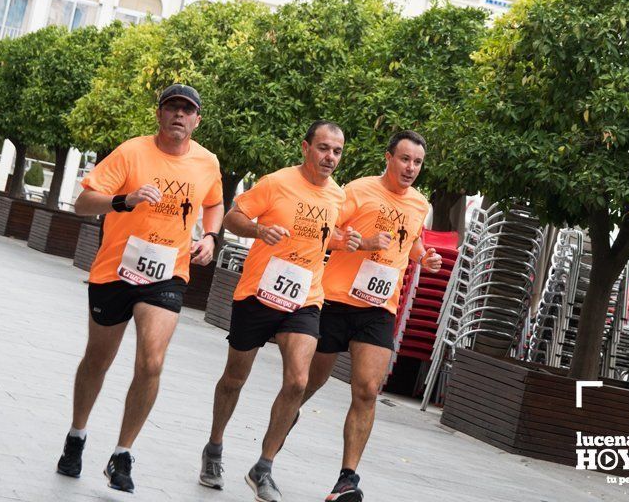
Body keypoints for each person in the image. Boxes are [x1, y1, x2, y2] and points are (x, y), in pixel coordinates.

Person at [56, 84, 224, 494]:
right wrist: (123, 200)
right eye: (172, 108)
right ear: (159, 114)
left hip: (167, 274)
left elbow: (215, 202)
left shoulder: (207, 162)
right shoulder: (131, 152)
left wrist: (212, 236)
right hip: (115, 271)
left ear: (197, 120)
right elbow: (83, 203)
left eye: (188, 110)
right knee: (98, 359)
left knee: (151, 361)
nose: (179, 116)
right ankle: (77, 435)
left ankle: (122, 454)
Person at [199, 120, 359, 502]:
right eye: (323, 148)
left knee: (298, 382)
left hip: (305, 298)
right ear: (306, 148)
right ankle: (214, 447)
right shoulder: (276, 181)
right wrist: (258, 231)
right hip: (258, 292)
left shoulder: (338, 196)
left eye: (336, 151)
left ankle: (264, 466)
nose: (330, 158)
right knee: (235, 377)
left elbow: (328, 238)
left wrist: (347, 241)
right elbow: (233, 216)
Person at [302, 130, 441, 502]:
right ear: (388, 158)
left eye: (417, 162)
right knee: (307, 384)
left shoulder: (419, 204)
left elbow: (410, 241)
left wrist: (423, 257)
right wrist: (359, 242)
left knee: (366, 391)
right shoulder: (358, 191)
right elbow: (328, 231)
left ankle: (347, 479)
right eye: (405, 159)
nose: (411, 168)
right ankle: (276, 436)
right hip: (335, 300)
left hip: (379, 309)